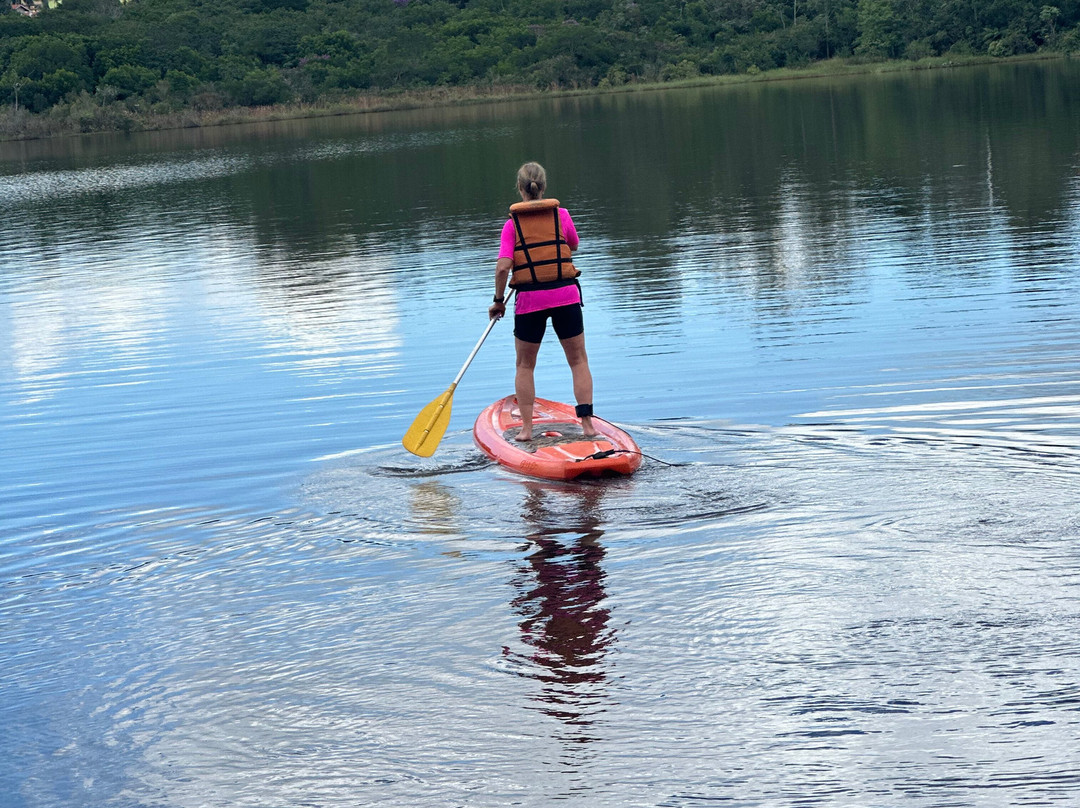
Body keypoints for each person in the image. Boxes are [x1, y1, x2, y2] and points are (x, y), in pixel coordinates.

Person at [488, 162, 596, 441]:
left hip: (530, 301)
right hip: (565, 295)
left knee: (525, 365)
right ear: (543, 187)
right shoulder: (561, 216)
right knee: (578, 360)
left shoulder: (512, 225)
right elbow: (573, 244)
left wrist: (498, 301)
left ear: (520, 189)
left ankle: (526, 430)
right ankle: (587, 425)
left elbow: (503, 267)